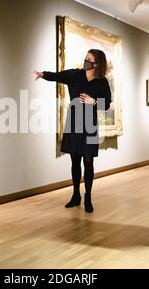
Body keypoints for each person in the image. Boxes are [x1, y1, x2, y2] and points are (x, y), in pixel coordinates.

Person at [34, 49, 112, 213]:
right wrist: (42, 74)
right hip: (74, 122)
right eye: (85, 58)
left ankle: (88, 197)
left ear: (96, 64)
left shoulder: (102, 82)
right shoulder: (75, 75)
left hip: (90, 125)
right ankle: (76, 195)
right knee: (75, 161)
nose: (85, 61)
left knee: (89, 161)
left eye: (88, 59)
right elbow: (57, 76)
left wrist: (94, 101)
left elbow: (106, 104)